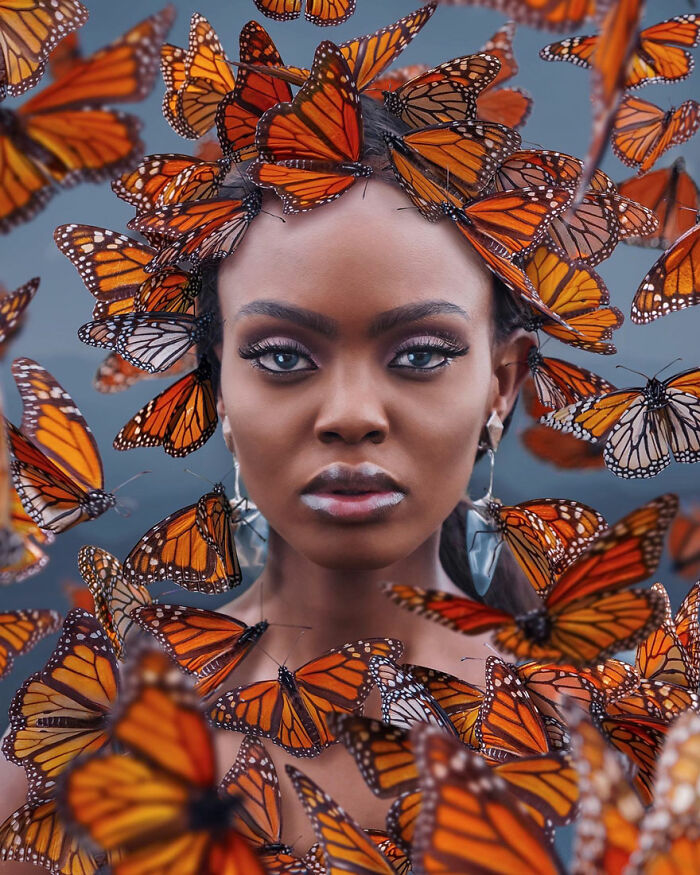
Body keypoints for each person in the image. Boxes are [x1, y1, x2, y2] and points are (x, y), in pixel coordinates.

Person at [0, 98, 537, 875]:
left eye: (420, 354)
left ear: (501, 383)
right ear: (218, 387)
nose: (351, 415)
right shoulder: (72, 769)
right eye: (284, 357)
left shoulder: (614, 743)